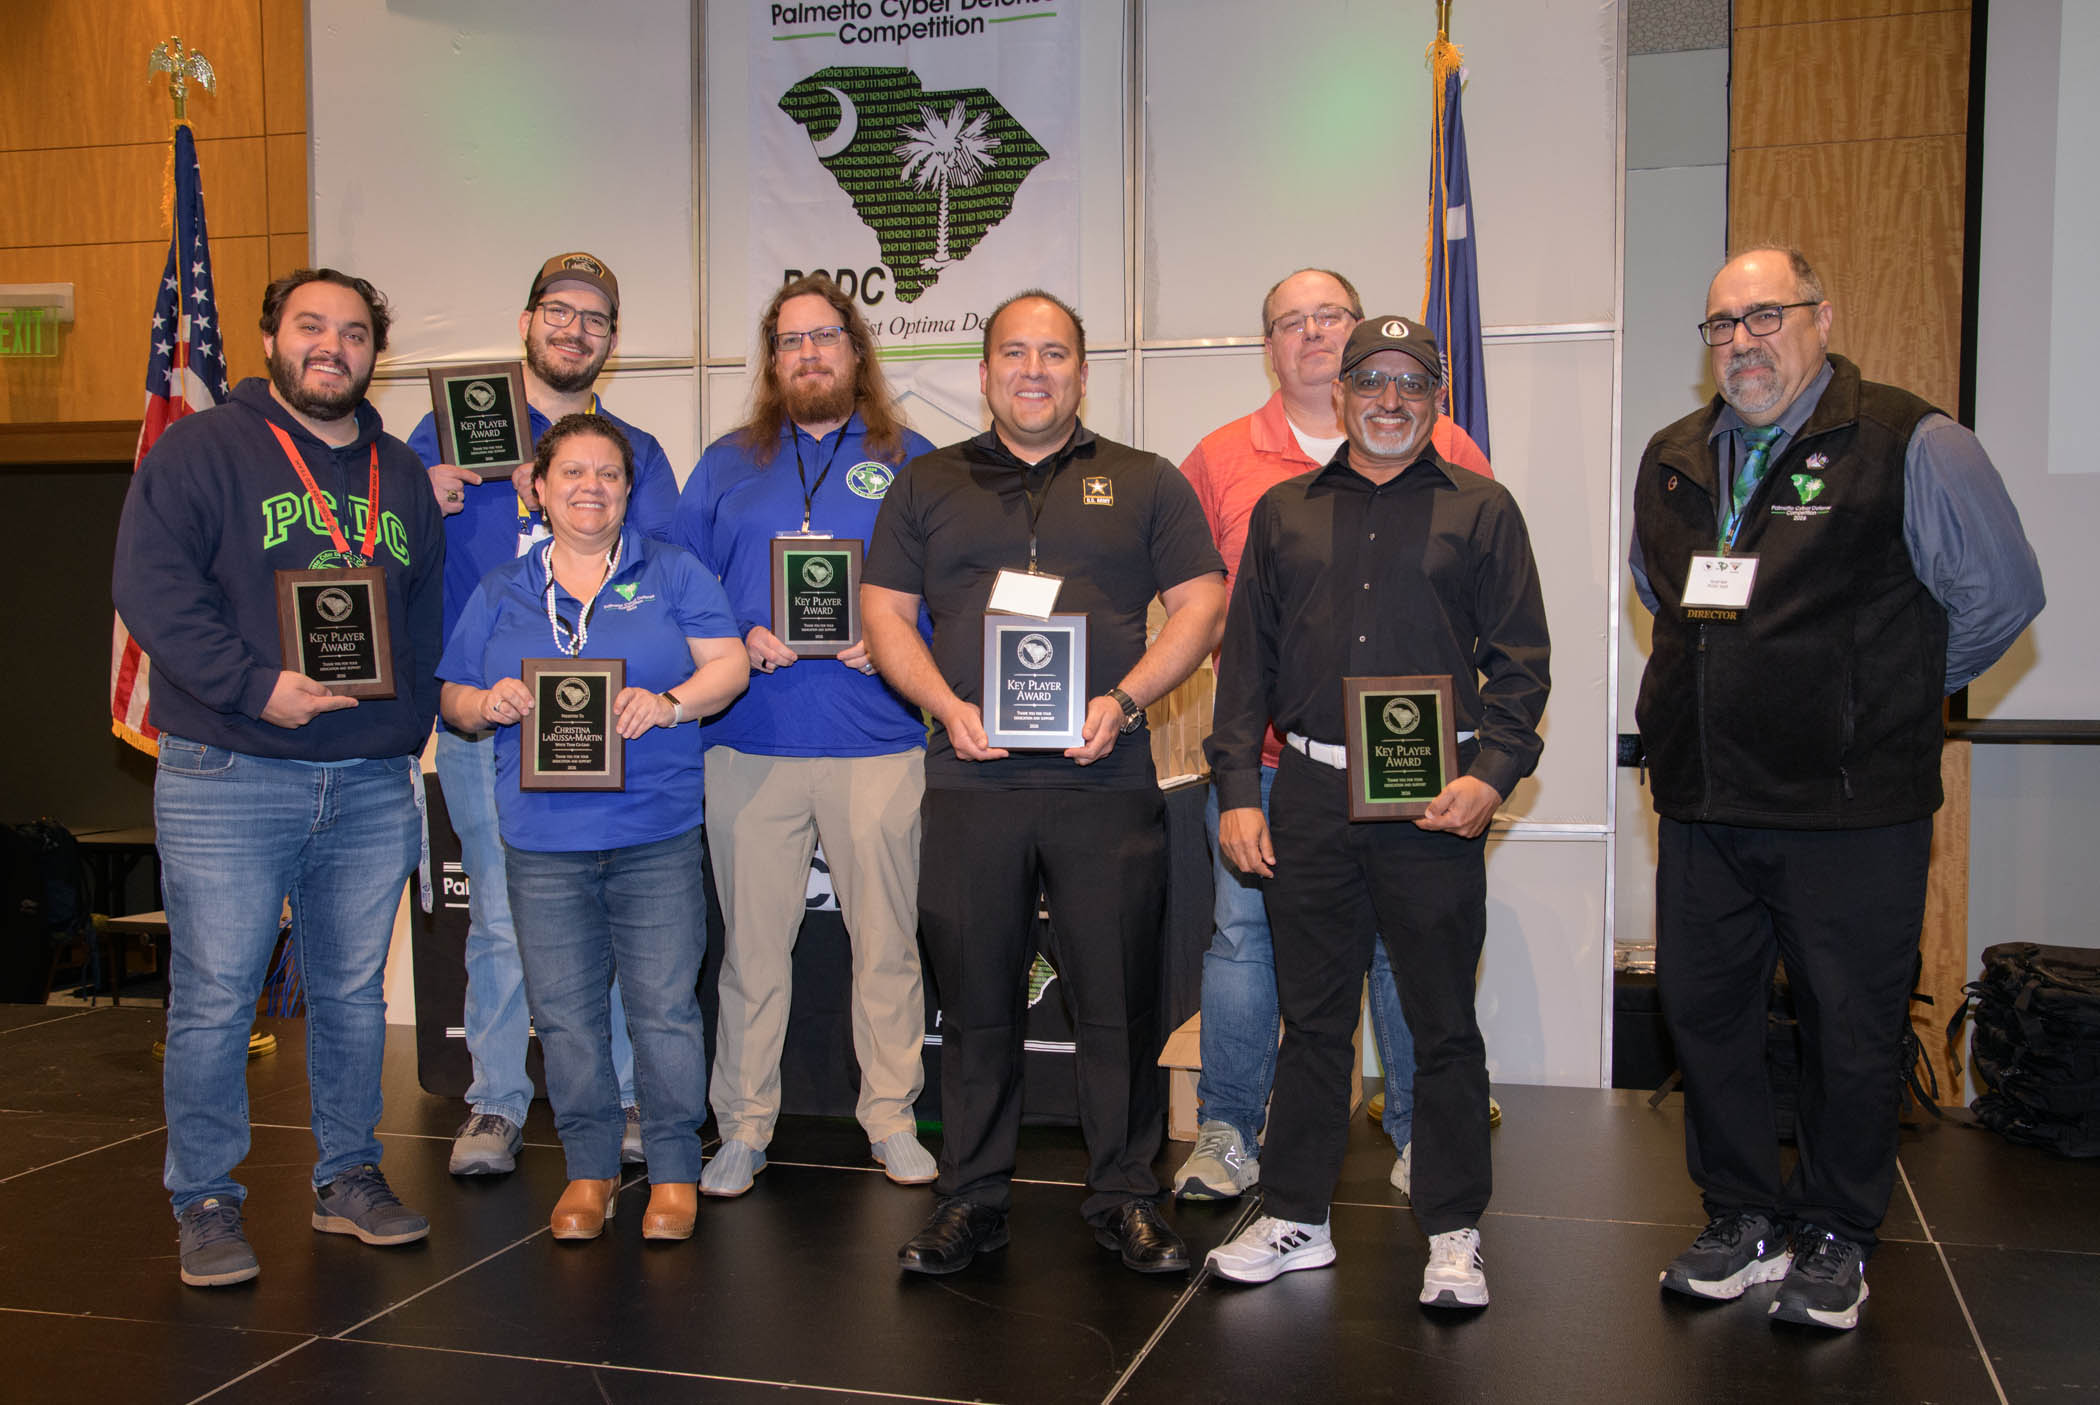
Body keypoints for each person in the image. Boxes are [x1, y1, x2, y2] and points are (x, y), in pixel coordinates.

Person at [1633, 247, 2043, 1330]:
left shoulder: (1914, 441)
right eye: (1723, 325)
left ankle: (1835, 1234)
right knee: (1706, 1016)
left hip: (1851, 810)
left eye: (1766, 315)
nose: (1744, 342)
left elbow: (2001, 597)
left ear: (1823, 316)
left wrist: (1872, 700)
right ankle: (1739, 1216)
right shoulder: (1673, 457)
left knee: (1849, 1028)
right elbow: (1664, 600)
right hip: (1705, 804)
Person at [862, 290, 1228, 1276]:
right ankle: (971, 1198)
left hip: (1103, 775)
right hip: (971, 777)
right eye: (1015, 354)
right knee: (977, 998)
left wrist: (1128, 697)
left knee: (1117, 998)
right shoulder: (926, 482)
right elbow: (884, 611)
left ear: (1082, 372)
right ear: (985, 373)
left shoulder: (1146, 480)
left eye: (1055, 353)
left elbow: (1203, 602)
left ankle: (1126, 1195)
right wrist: (945, 703)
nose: (1035, 371)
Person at [1202, 316, 1549, 1311]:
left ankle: (1453, 1229)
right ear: (1341, 392)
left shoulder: (1483, 509)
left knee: (1440, 1025)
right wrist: (1238, 790)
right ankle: (1296, 1216)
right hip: (1309, 796)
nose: (1390, 400)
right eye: (1371, 381)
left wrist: (1492, 776)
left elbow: (1522, 665)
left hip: (1433, 800)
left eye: (1411, 382)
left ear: (1436, 397)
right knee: (1314, 1021)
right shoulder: (1283, 512)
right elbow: (1245, 669)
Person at [114, 268, 445, 1287]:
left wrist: (405, 728)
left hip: (370, 775)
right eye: (311, 326)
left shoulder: (400, 473)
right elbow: (152, 592)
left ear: (375, 353)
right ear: (270, 340)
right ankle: (205, 1198)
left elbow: (425, 615)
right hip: (231, 766)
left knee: (349, 993)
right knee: (218, 995)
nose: (332, 346)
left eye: (354, 332)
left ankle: (347, 1174)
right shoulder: (201, 449)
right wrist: (257, 688)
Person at [1174, 267, 1496, 1201]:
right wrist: (1230, 768)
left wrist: (1487, 760)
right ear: (1268, 346)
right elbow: (1209, 615)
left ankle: (1416, 1129)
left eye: (1329, 317)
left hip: (1412, 763)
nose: (1311, 332)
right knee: (1244, 944)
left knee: (1403, 952)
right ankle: (1230, 1128)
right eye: (1291, 321)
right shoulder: (1222, 460)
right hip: (1283, 770)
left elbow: (1482, 605)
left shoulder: (1452, 449)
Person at [437, 412, 749, 1241]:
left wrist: (671, 703)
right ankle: (590, 1167)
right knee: (567, 1013)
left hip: (654, 831)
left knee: (664, 1008)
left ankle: (673, 1169)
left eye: (608, 474)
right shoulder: (502, 587)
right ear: (538, 489)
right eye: (571, 472)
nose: (591, 487)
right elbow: (453, 695)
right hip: (542, 841)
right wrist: (486, 702)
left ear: (628, 489)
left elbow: (729, 666)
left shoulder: (672, 571)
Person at [408, 252, 680, 1176]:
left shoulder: (634, 450)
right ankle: (495, 1100)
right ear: (526, 322)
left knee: (610, 915)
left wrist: (577, 494)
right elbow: (381, 544)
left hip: (605, 724)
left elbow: (664, 570)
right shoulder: (449, 426)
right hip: (490, 718)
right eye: (559, 310)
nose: (575, 329)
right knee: (499, 916)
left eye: (595, 318)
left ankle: (623, 1096)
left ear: (613, 339)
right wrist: (424, 496)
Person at [675, 275, 940, 1197]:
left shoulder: (912, 458)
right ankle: (744, 1125)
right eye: (790, 341)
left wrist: (899, 640)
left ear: (855, 350)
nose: (809, 354)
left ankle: (891, 1116)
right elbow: (679, 587)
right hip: (750, 742)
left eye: (825, 336)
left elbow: (954, 586)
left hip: (880, 741)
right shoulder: (725, 464)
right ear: (773, 359)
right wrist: (736, 636)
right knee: (750, 954)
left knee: (887, 947)